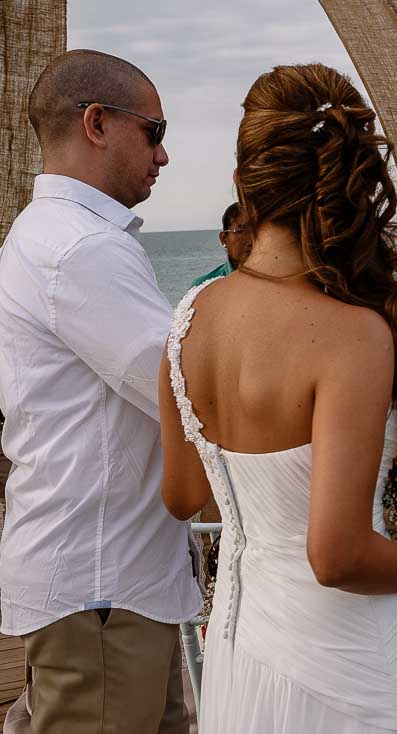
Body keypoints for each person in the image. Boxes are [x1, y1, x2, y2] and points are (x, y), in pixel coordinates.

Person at [158, 63, 397, 733]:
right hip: (350, 663)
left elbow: (182, 497)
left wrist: (259, 484)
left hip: (241, 657)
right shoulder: (352, 335)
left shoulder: (188, 319)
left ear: (245, 181)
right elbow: (337, 555)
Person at [0, 50, 200, 733]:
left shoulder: (49, 237)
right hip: (104, 589)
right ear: (97, 123)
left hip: (116, 585)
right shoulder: (81, 248)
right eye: (155, 131)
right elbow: (184, 389)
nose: (164, 156)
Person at [192, 201, 252, 286]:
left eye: (257, 232)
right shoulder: (204, 287)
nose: (251, 240)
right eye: (240, 231)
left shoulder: (273, 282)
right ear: (224, 238)